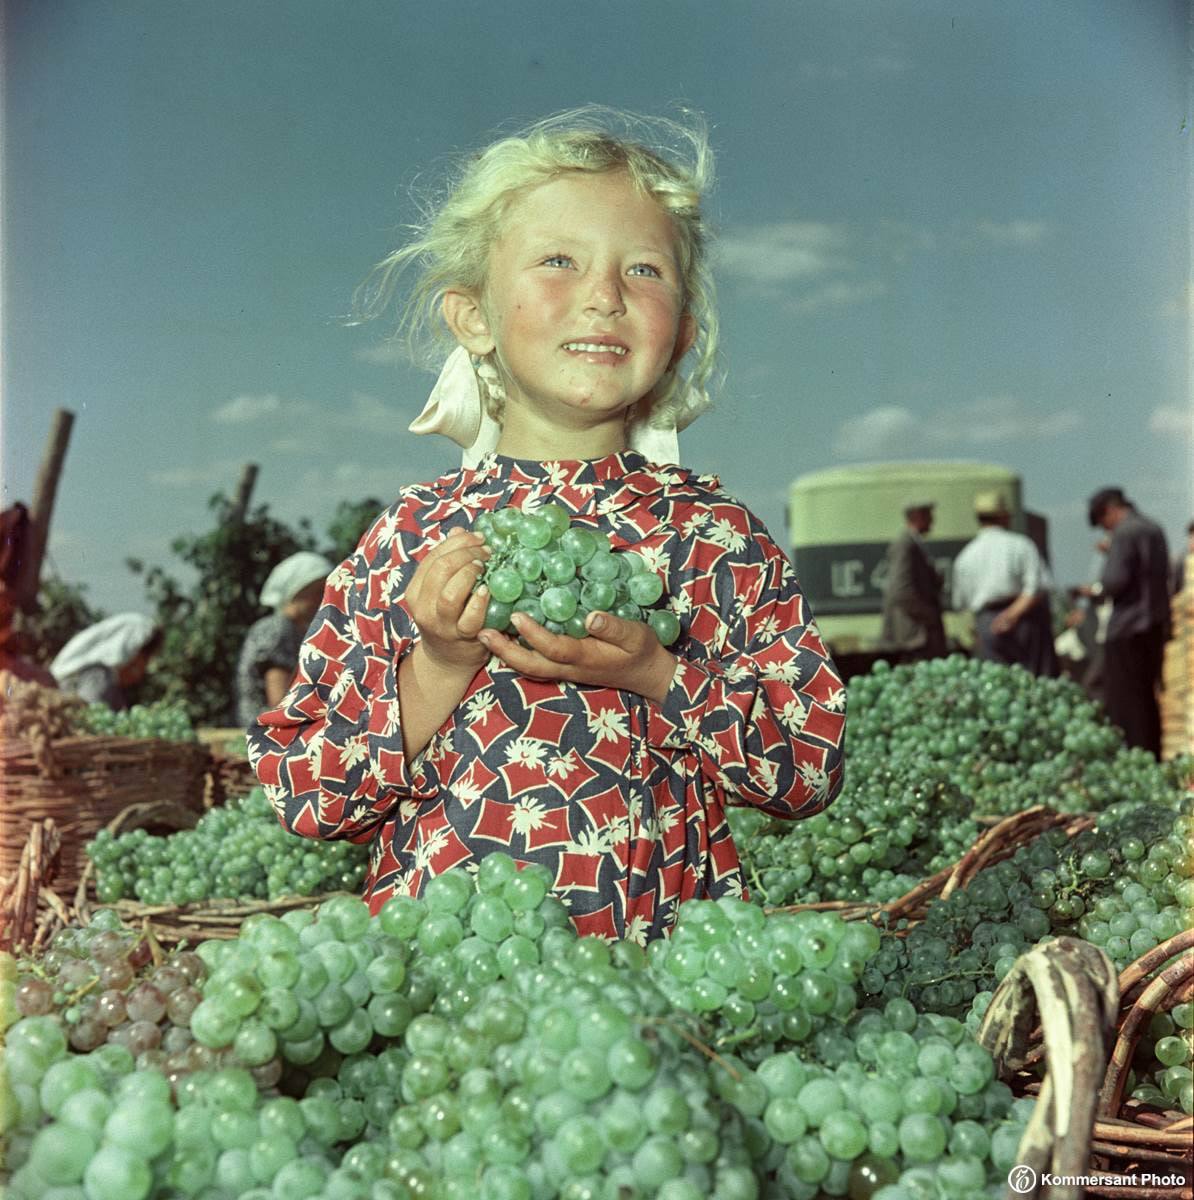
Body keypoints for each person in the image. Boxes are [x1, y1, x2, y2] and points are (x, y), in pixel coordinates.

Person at [248, 109, 846, 943]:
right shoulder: (411, 540)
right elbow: (304, 791)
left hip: (654, 998)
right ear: (473, 318)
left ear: (681, 337)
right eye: (559, 261)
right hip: (449, 994)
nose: (604, 296)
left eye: (644, 270)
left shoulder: (715, 538)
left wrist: (660, 676)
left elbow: (808, 769)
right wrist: (437, 664)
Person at [1083, 487, 1170, 758]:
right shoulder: (1153, 528)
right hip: (1154, 624)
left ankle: (1137, 756)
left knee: (1126, 702)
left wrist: (1094, 590)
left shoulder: (1123, 533)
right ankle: (1153, 753)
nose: (1104, 529)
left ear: (1109, 510)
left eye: (1102, 522)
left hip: (1126, 627)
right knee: (1147, 696)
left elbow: (1115, 581)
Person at [952, 490, 1057, 676]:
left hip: (987, 622)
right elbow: (1037, 587)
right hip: (1024, 620)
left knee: (996, 680)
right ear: (1004, 516)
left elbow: (961, 602)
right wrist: (1012, 615)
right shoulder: (1021, 545)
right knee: (1034, 679)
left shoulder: (966, 556)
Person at [236, 551, 334, 727]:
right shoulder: (279, 628)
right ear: (296, 591)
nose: (323, 600)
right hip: (268, 736)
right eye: (318, 592)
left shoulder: (293, 629)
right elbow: (279, 701)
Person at [49, 612, 161, 709]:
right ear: (132, 655)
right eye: (145, 661)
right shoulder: (98, 675)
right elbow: (91, 715)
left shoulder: (112, 683)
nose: (143, 670)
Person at [879, 500, 946, 661]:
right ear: (918, 517)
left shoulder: (913, 543)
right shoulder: (905, 545)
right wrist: (928, 615)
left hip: (916, 634)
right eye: (929, 516)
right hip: (914, 635)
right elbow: (901, 590)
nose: (932, 521)